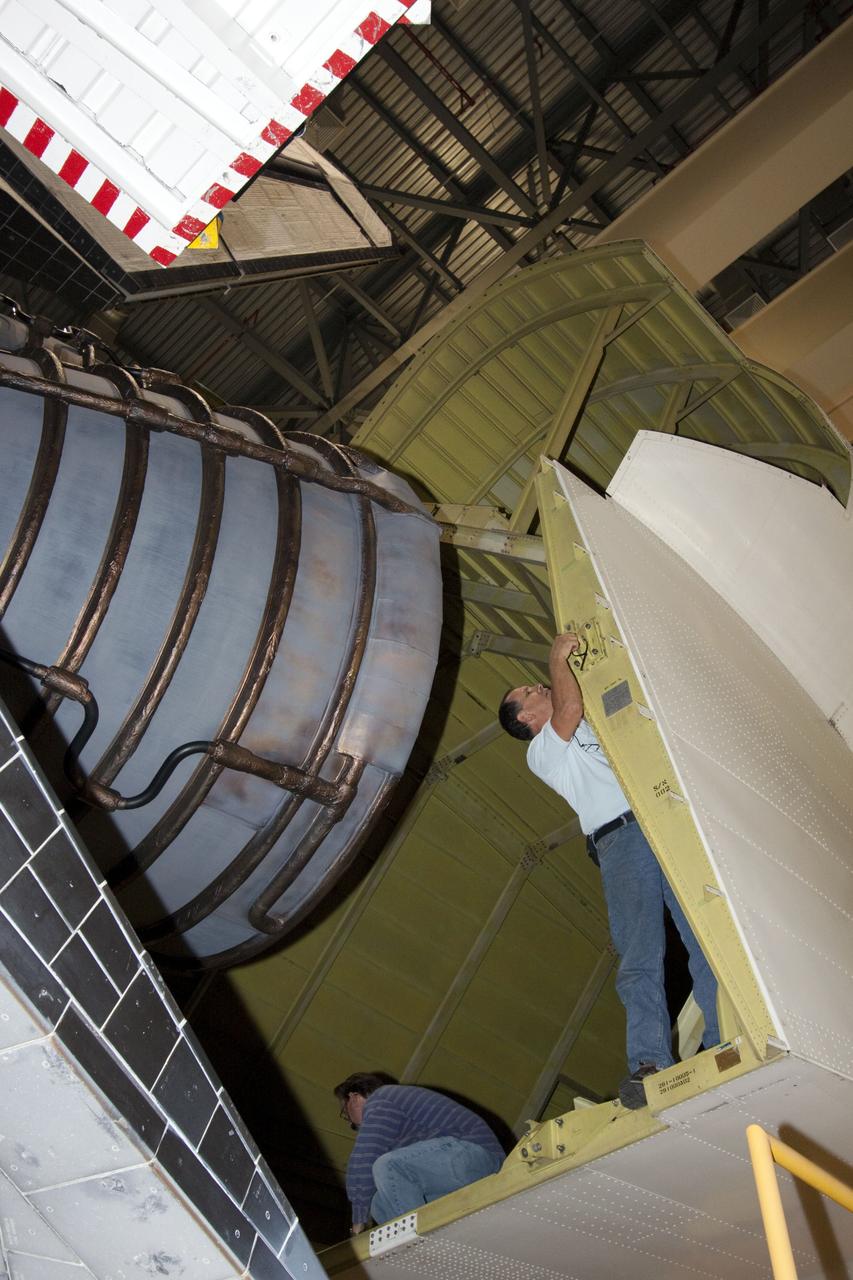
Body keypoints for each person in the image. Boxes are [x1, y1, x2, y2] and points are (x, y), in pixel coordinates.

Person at [498, 631, 720, 1109]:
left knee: (703, 935)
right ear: (526, 719)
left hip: (655, 817)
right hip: (619, 840)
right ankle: (650, 1062)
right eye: (530, 692)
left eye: (538, 684)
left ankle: (724, 1038)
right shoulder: (542, 752)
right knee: (641, 953)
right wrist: (557, 656)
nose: (539, 687)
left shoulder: (585, 722)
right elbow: (569, 710)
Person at [334, 1073, 504, 1232]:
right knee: (379, 1202)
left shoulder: (381, 1098)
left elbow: (365, 1156)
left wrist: (358, 1219)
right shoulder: (399, 1122)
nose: (354, 1126)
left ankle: (416, 1239)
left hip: (476, 1157)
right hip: (455, 1173)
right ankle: (432, 1235)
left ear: (354, 1098)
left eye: (347, 1116)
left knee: (388, 1165)